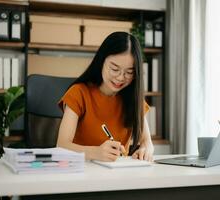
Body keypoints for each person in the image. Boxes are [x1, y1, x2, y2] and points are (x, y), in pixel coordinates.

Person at [57, 32, 154, 162]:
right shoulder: (79, 93)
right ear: (101, 61)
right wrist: (95, 152)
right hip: (81, 171)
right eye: (114, 69)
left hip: (116, 175)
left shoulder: (133, 99)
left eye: (129, 72)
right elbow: (62, 146)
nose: (120, 77)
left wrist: (145, 149)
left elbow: (147, 141)